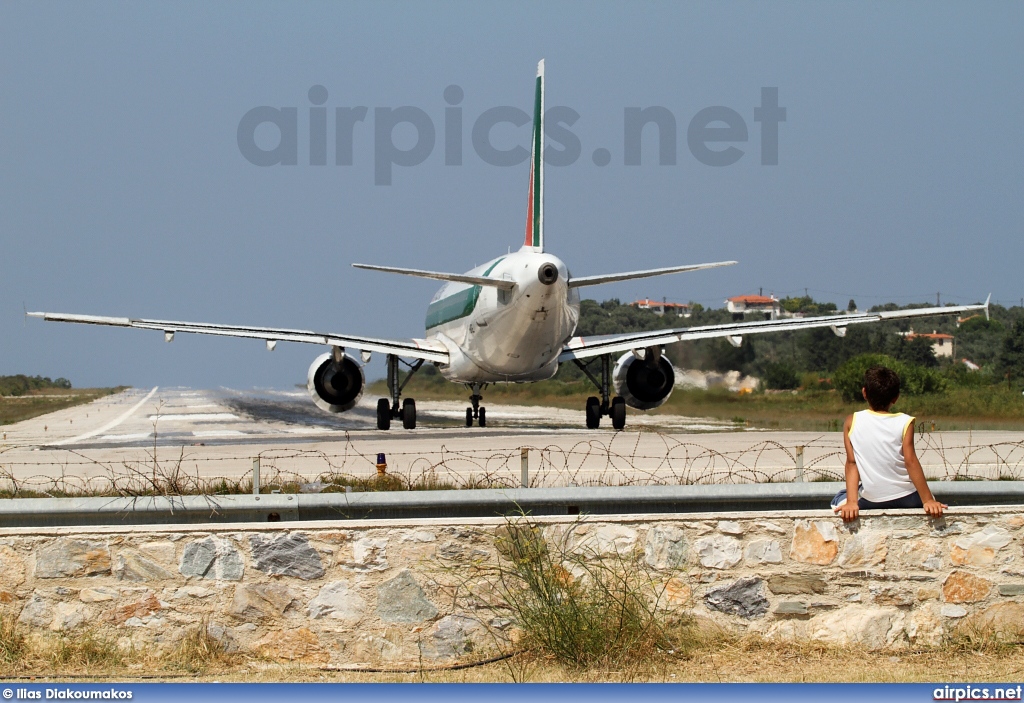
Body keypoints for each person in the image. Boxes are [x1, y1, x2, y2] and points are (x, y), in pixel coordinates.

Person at [832, 365, 947, 522]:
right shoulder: (905, 422)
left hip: (872, 500)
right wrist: (928, 500)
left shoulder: (852, 421)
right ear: (896, 397)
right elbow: (910, 461)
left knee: (839, 497)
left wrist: (852, 502)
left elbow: (852, 463)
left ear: (864, 392)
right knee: (927, 495)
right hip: (908, 498)